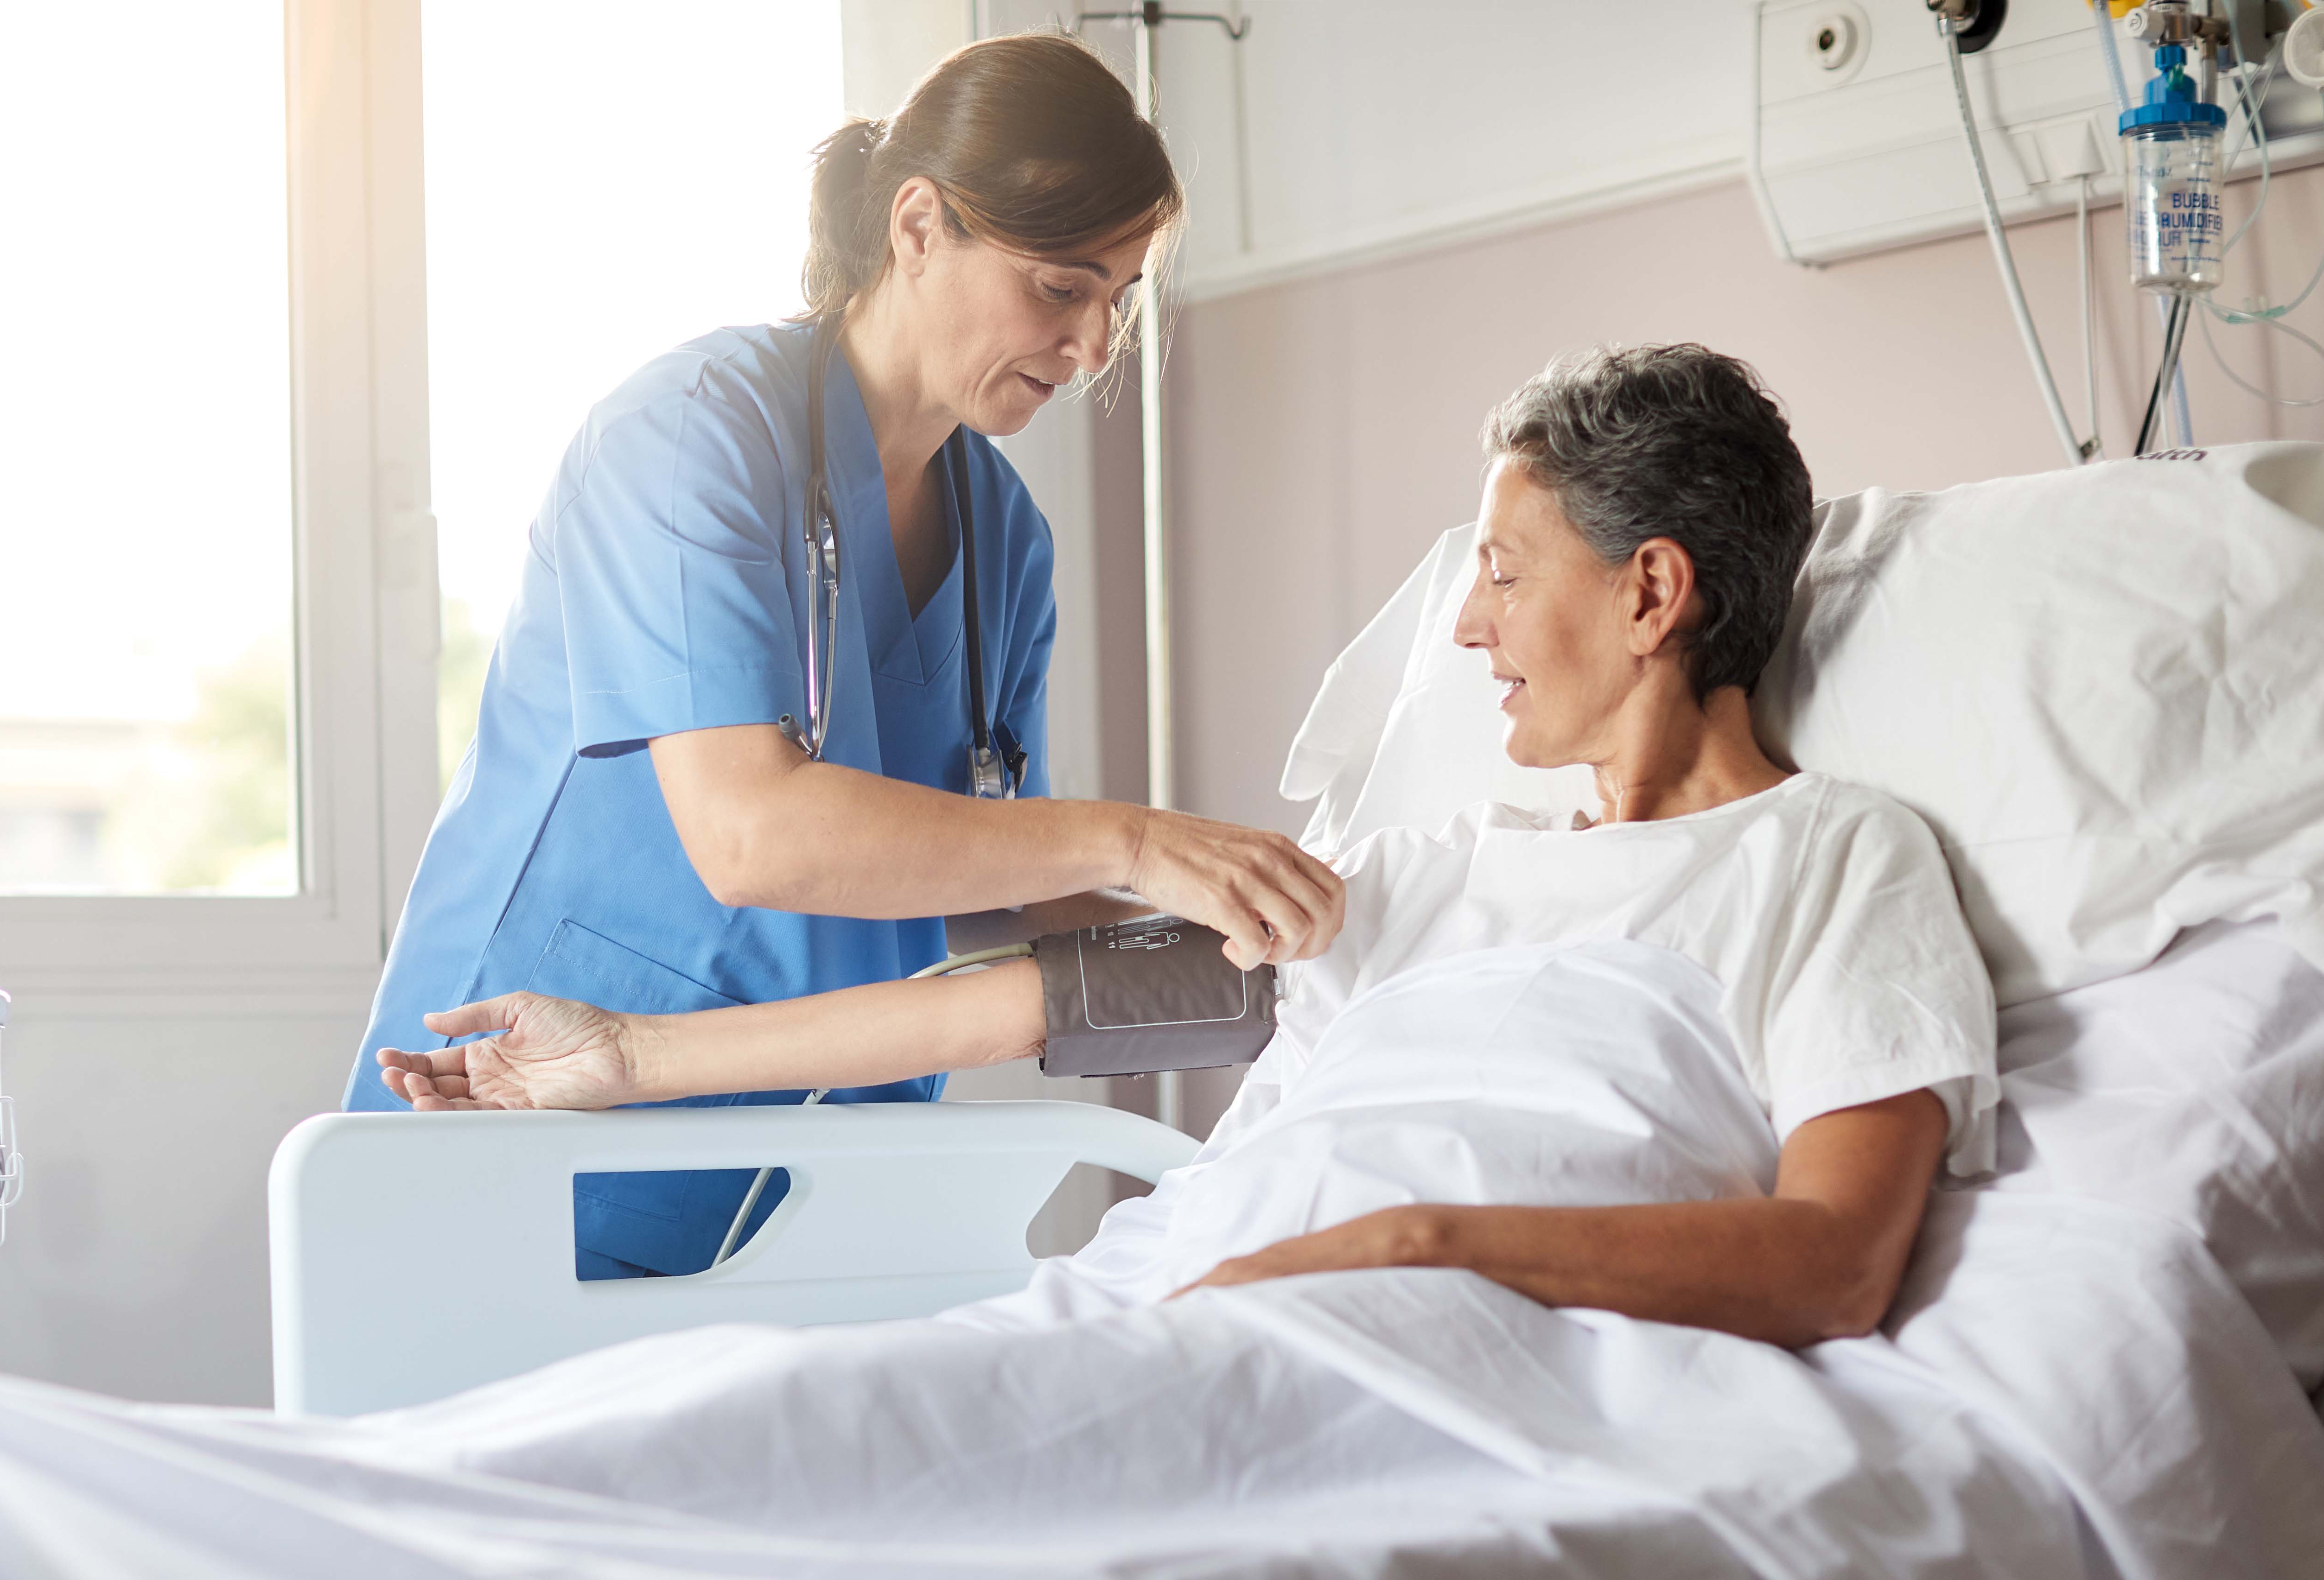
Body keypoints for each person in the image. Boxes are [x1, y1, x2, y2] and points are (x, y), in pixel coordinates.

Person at [380, 344, 2002, 1346]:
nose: (1464, 622)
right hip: (1180, 1303)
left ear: (1651, 593)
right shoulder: (1428, 869)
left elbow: (1828, 1260)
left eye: (1505, 572)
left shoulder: (1837, 862)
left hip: (1409, 1338)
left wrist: (1404, 1247)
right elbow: (1029, 1001)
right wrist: (624, 1061)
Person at [352, 32, 1344, 1282]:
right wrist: (1140, 839)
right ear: (918, 226)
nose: (1095, 349)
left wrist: (1249, 928)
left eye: (1118, 298)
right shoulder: (687, 440)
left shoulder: (1005, 541)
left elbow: (981, 877)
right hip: (518, 1116)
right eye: (1060, 287)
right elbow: (751, 835)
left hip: (819, 1174)